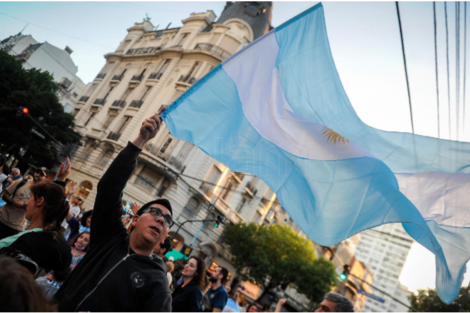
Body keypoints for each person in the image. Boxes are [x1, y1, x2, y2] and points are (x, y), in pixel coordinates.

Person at [55, 112, 173, 311]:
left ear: (164, 238)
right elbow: (109, 187)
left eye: (168, 221)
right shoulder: (108, 236)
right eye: (154, 212)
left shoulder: (159, 286)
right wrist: (141, 140)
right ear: (134, 219)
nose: (161, 220)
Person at [0, 164, 72, 274]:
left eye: (31, 198)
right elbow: (55, 201)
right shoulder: (56, 247)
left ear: (39, 201)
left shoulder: (20, 241)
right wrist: (60, 181)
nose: (27, 202)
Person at [0, 166, 49, 240]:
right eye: (37, 172)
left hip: (17, 228)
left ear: (45, 178)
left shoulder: (42, 193)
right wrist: (14, 203)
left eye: (41, 174)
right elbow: (5, 195)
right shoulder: (21, 182)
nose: (37, 175)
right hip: (2, 219)